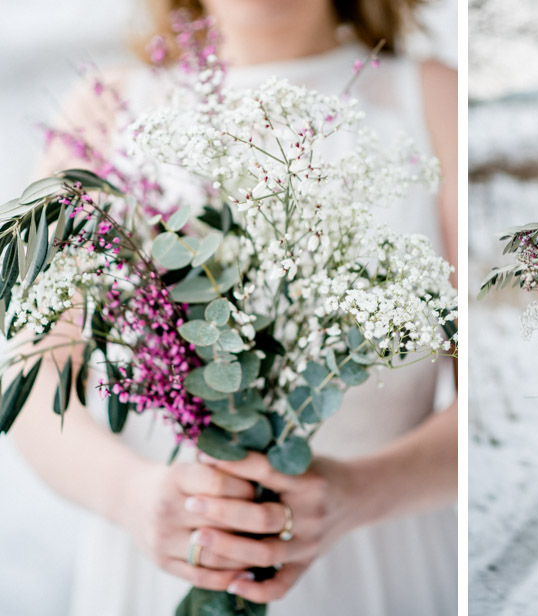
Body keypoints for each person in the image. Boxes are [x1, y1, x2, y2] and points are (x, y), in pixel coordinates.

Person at [10, 0, 458, 614]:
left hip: (378, 562)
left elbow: (479, 389)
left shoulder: (429, 99)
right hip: (154, 561)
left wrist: (359, 493)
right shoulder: (104, 107)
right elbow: (30, 381)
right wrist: (135, 498)